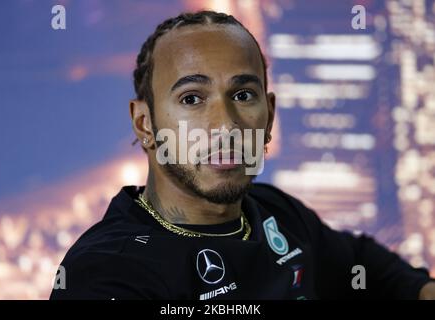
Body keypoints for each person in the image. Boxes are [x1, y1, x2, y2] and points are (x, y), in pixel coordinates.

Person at [50, 10, 435, 300]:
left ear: (269, 114)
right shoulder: (105, 272)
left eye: (243, 95)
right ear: (145, 124)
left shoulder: (278, 214)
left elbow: (372, 269)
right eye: (192, 99)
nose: (226, 125)